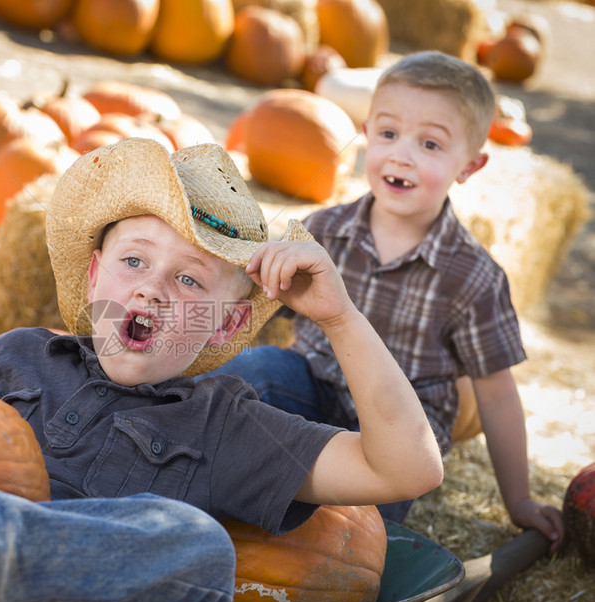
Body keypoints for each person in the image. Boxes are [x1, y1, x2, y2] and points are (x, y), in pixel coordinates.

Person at [0, 138, 442, 602]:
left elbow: (407, 467)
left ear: (229, 322)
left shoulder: (228, 426)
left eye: (189, 280)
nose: (150, 285)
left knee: (199, 548)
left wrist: (339, 317)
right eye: (134, 260)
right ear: (95, 278)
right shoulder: (19, 356)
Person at [202, 51, 564, 552]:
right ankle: (186, 465)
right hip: (313, 388)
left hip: (396, 435)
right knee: (254, 371)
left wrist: (519, 500)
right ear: (367, 132)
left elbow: (498, 396)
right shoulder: (325, 231)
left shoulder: (474, 278)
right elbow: (254, 306)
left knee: (351, 525)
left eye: (430, 143)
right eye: (389, 134)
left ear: (471, 165)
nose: (401, 155)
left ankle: (288, 538)